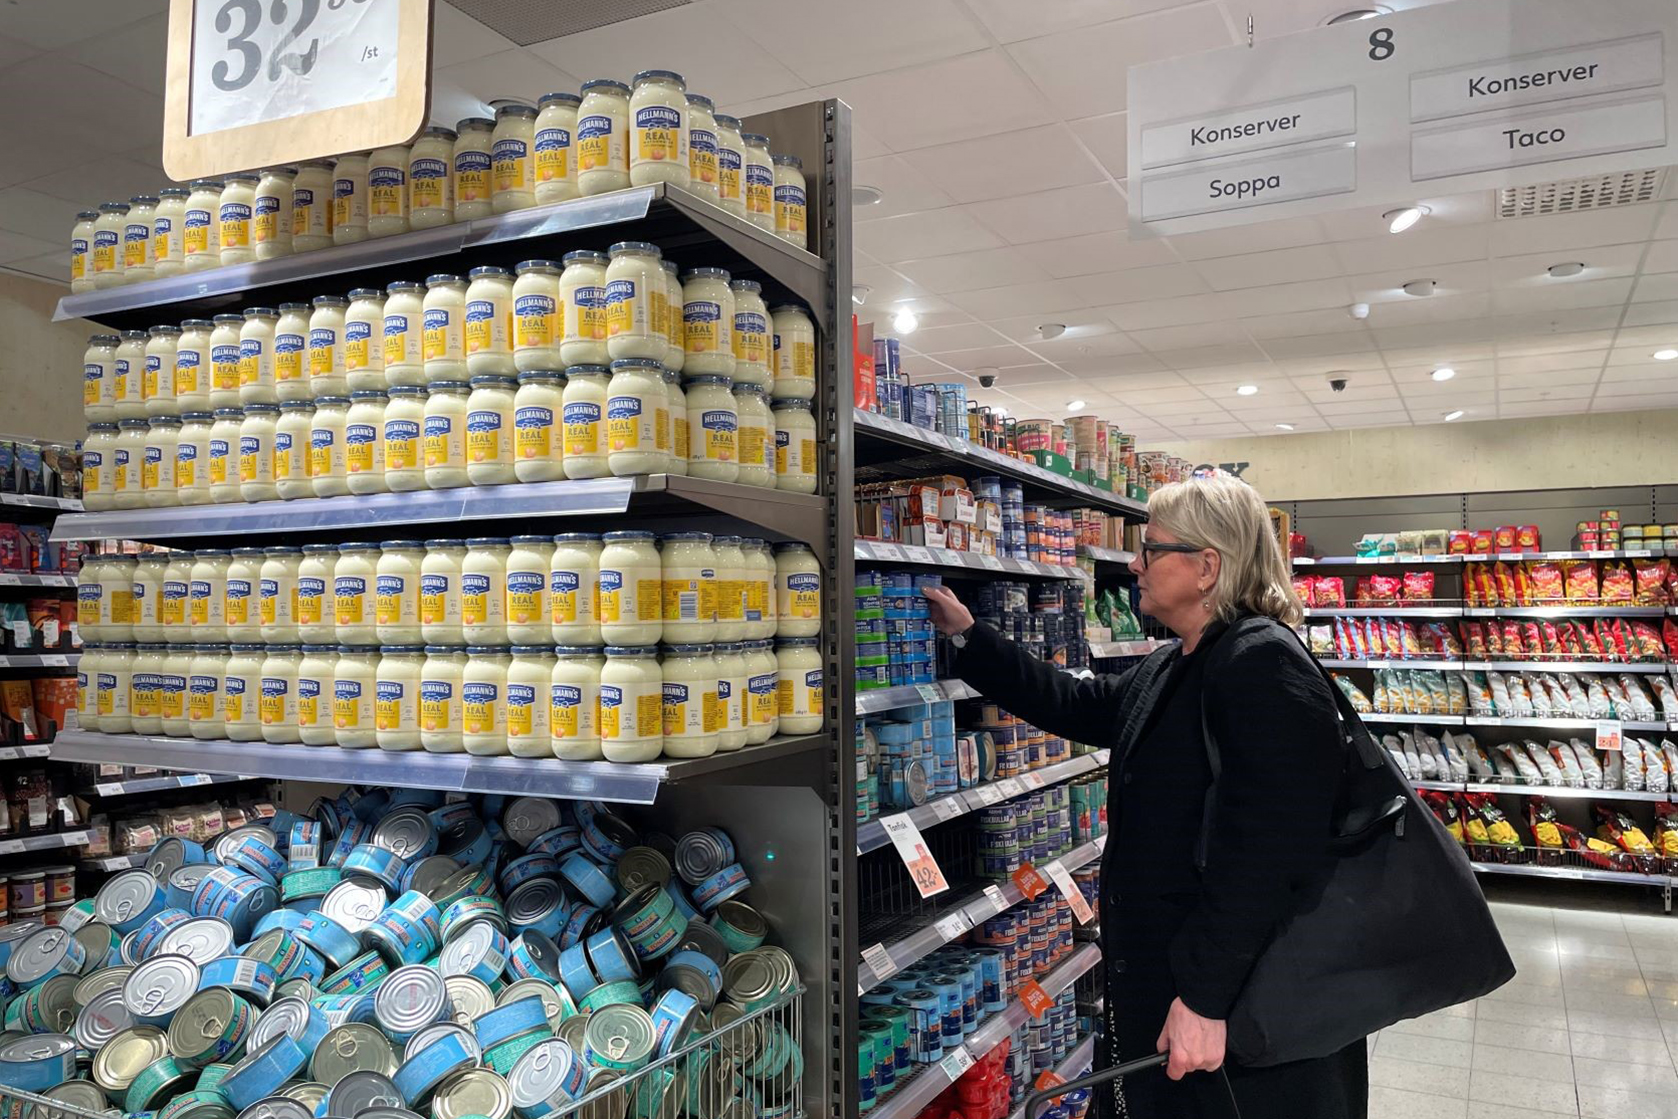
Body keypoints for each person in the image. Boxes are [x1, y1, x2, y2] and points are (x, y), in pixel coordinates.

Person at [923, 475, 1367, 1119]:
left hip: (1240, 1007)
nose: (1134, 563)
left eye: (1152, 548)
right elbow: (1075, 702)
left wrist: (1206, 1000)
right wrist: (970, 636)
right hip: (1172, 983)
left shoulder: (1263, 667)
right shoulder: (1178, 662)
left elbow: (1269, 858)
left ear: (1207, 566)